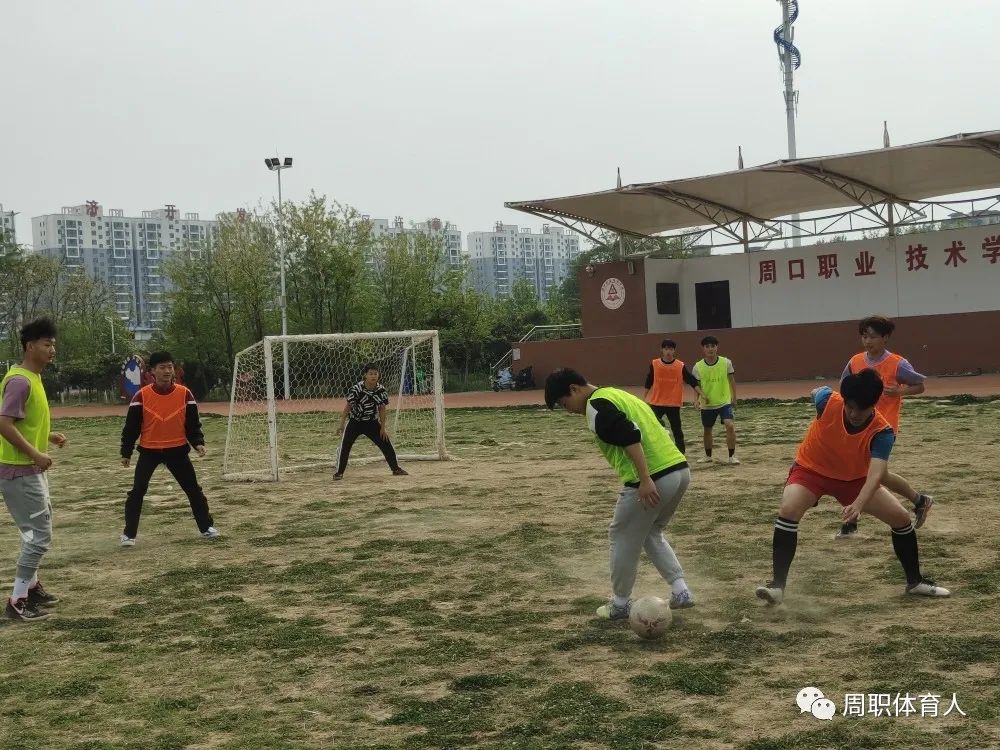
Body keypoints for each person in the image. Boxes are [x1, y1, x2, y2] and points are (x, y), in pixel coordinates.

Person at [755, 369, 950, 606]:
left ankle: (915, 582)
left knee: (900, 518)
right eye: (850, 407)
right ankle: (777, 586)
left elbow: (876, 475)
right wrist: (815, 396)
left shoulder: (882, 432)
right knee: (789, 509)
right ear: (845, 400)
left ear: (874, 405)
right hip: (811, 470)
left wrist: (858, 504)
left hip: (853, 479)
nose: (855, 414)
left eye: (862, 409)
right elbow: (816, 392)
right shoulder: (827, 400)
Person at [544, 367, 695, 618]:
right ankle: (681, 591)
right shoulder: (619, 395)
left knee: (621, 536)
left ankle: (621, 603)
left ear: (574, 389)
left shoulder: (596, 406)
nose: (567, 410)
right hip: (679, 471)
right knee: (650, 532)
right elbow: (657, 427)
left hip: (653, 477)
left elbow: (630, 436)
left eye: (564, 403)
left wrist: (645, 478)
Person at [836, 315, 933, 539]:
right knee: (876, 474)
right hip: (859, 426)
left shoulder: (897, 363)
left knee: (863, 474)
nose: (867, 341)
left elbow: (920, 386)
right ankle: (920, 500)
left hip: (883, 429)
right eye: (864, 336)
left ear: (885, 337)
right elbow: (844, 387)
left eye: (872, 336)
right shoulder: (855, 361)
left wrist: (900, 391)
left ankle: (850, 523)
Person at [1, 318, 65, 622]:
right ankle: (17, 601)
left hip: (28, 469)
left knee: (32, 531)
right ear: (30, 346)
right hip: (19, 470)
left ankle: (32, 587)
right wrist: (35, 453)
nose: (52, 350)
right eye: (47, 344)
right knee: (39, 535)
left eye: (53, 344)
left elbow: (22, 421)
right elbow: (3, 423)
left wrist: (47, 436)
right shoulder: (20, 381)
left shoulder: (33, 377)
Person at [119, 351, 219, 546]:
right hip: (149, 451)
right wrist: (126, 452)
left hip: (177, 450)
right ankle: (128, 535)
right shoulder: (141, 396)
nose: (167, 371)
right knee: (137, 491)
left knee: (193, 490)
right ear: (152, 371)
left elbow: (192, 424)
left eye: (170, 367)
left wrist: (198, 443)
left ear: (174, 370)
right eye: (162, 367)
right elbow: (131, 428)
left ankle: (206, 527)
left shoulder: (185, 394)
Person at [334, 364, 408, 480]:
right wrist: (342, 424)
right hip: (355, 422)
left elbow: (382, 409)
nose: (373, 376)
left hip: (371, 423)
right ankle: (339, 472)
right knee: (345, 446)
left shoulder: (381, 390)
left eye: (375, 374)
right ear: (365, 375)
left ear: (379, 375)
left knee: (385, 443)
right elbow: (348, 407)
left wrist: (382, 428)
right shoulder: (357, 389)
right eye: (370, 374)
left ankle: (395, 469)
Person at [643, 338, 702, 454]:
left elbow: (691, 380)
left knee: (677, 430)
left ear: (674, 350)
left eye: (670, 349)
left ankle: (681, 454)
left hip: (673, 404)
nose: (668, 351)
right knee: (651, 427)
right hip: (657, 403)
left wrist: (701, 394)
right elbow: (649, 380)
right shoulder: (655, 364)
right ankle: (651, 451)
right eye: (666, 349)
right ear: (662, 350)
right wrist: (644, 398)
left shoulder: (680, 365)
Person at [691, 336, 739, 464]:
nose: (710, 349)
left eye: (713, 346)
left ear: (717, 347)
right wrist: (696, 400)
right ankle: (708, 456)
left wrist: (734, 397)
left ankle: (731, 457)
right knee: (707, 429)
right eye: (707, 346)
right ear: (703, 349)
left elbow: (732, 381)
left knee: (729, 425)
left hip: (724, 402)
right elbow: (696, 386)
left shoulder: (726, 363)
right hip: (707, 404)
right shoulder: (698, 367)